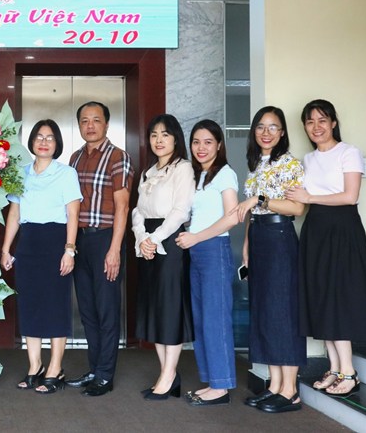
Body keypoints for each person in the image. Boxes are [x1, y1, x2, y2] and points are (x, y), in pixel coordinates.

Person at [286, 99, 366, 397]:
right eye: (310, 121)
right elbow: (300, 198)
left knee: (339, 297)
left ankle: (349, 372)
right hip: (316, 229)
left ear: (333, 123)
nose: (316, 127)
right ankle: (335, 369)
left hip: (342, 229)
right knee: (322, 297)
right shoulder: (308, 159)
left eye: (322, 120)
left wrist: (310, 197)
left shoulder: (348, 152)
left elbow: (350, 196)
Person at [234, 106, 306, 413]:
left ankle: (290, 390)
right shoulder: (255, 164)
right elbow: (252, 212)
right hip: (260, 237)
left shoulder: (289, 163)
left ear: (282, 132)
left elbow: (297, 208)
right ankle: (275, 385)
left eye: (273, 127)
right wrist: (246, 246)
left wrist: (260, 199)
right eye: (261, 127)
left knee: (282, 311)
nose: (266, 132)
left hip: (279, 238)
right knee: (265, 311)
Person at [0, 120, 81, 394]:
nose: (44, 142)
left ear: (57, 143)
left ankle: (55, 368)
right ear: (32, 141)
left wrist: (69, 249)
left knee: (56, 305)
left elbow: (73, 214)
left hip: (56, 241)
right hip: (29, 242)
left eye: (50, 137)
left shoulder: (66, 173)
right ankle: (35, 366)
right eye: (39, 137)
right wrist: (6, 248)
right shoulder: (21, 173)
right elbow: (14, 213)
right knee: (30, 304)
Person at [65, 101, 133, 397]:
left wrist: (115, 249)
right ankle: (94, 369)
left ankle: (105, 375)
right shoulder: (75, 157)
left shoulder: (118, 157)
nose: (90, 125)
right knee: (88, 310)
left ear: (106, 124)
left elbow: (123, 206)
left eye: (96, 120)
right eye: (84, 120)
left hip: (105, 239)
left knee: (106, 310)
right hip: (79, 241)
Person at [174, 120, 239, 406]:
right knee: (201, 319)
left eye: (208, 142)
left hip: (214, 249)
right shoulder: (199, 175)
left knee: (216, 319)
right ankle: (212, 381)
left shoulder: (225, 173)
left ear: (219, 145)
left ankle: (221, 387)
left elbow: (233, 217)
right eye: (196, 142)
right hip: (197, 251)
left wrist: (196, 237)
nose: (201, 147)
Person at [132, 114, 194, 401]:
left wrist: (155, 239)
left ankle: (168, 376)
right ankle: (167, 373)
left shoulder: (182, 168)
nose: (159, 140)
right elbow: (138, 211)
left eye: (165, 134)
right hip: (148, 243)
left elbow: (181, 211)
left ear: (175, 138)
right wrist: (142, 238)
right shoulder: (148, 171)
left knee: (169, 309)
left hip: (169, 243)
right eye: (154, 134)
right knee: (154, 309)